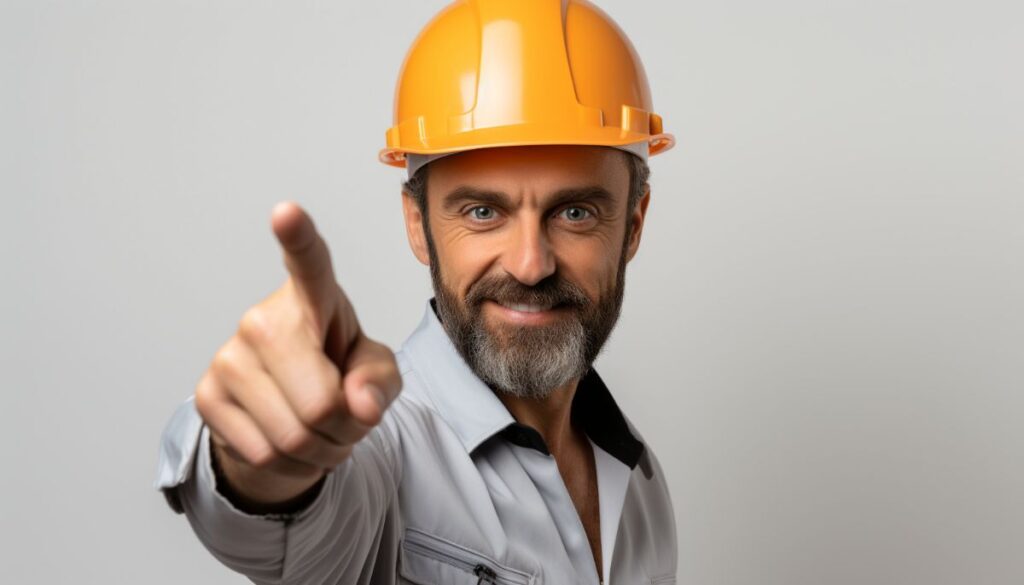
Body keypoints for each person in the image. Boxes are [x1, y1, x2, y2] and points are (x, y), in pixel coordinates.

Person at [155, 1, 678, 583]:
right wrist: (255, 464)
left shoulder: (640, 483)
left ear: (632, 224)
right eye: (483, 212)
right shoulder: (379, 450)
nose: (531, 266)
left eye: (576, 212)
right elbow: (284, 521)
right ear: (417, 224)